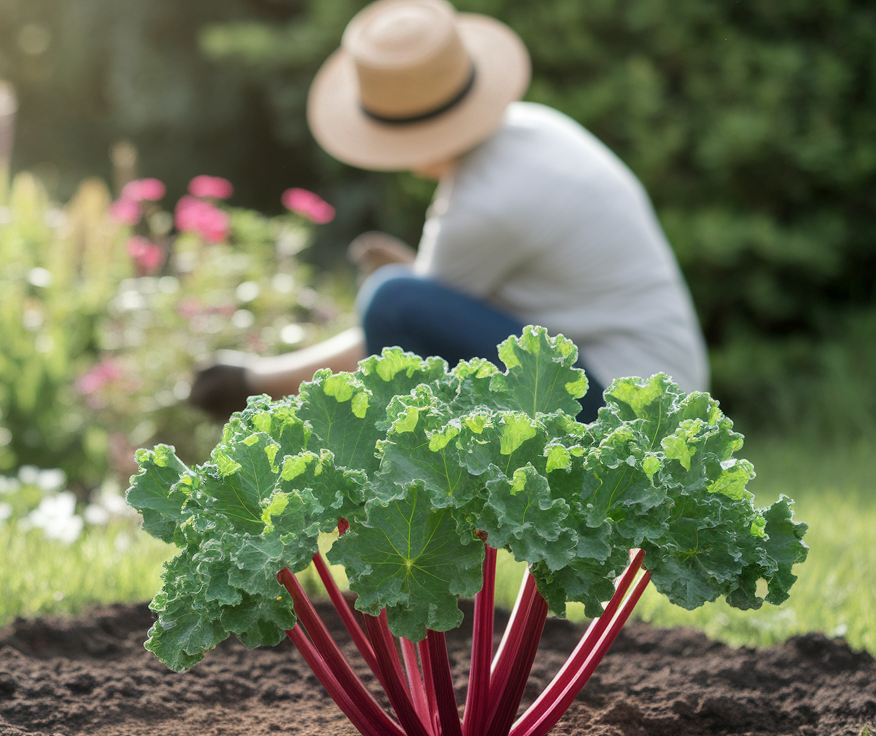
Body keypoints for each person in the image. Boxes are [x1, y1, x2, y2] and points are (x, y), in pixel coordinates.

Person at [188, 0, 709, 423]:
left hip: (628, 421)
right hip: (662, 399)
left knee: (391, 302)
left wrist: (252, 382)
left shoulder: (484, 203)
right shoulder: (536, 129)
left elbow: (394, 332)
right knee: (402, 295)